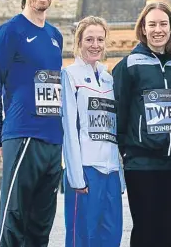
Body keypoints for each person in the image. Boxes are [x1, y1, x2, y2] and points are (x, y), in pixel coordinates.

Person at [0, 0, 64, 247]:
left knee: (41, 225)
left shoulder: (55, 37)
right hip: (23, 136)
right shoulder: (9, 32)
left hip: (53, 142)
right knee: (13, 222)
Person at [113, 2, 171, 247]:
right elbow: (119, 111)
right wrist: (127, 149)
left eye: (163, 24)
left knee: (166, 231)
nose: (158, 29)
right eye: (152, 24)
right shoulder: (129, 65)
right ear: (143, 29)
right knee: (146, 229)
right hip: (141, 162)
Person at [61, 16, 125, 247]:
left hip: (111, 171)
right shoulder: (70, 75)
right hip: (86, 171)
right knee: (82, 237)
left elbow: (113, 127)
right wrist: (76, 176)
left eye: (100, 39)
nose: (95, 44)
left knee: (110, 236)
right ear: (79, 42)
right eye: (89, 39)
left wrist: (120, 173)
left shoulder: (109, 79)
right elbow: (69, 128)